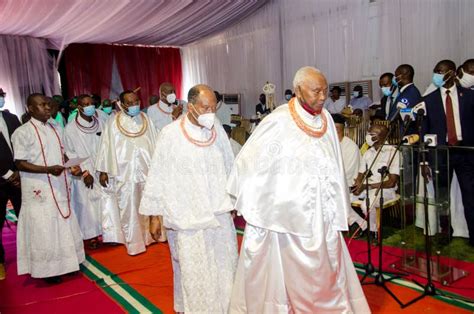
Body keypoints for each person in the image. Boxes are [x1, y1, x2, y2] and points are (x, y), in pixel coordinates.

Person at [228, 67, 369, 313]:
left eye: (325, 90)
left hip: (321, 214)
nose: (323, 96)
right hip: (285, 217)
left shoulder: (325, 118)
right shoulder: (278, 120)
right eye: (316, 91)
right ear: (298, 90)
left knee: (325, 269)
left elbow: (334, 164)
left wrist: (338, 204)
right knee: (283, 274)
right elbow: (249, 161)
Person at [140, 84, 238, 313]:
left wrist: (233, 199)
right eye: (205, 107)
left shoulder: (218, 131)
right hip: (187, 216)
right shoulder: (171, 134)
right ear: (190, 106)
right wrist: (155, 215)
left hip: (219, 212)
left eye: (214, 107)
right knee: (194, 270)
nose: (210, 113)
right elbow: (158, 174)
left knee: (224, 265)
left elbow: (229, 165)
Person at [12, 93, 84, 283]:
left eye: (47, 104)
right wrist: (47, 170)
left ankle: (68, 263)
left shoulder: (56, 127)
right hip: (39, 188)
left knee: (62, 222)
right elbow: (20, 163)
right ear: (30, 108)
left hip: (59, 184)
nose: (47, 108)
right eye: (42, 105)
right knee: (44, 227)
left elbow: (64, 152)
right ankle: (47, 270)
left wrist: (73, 165)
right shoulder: (22, 132)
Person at [95, 90, 158, 254]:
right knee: (128, 208)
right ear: (121, 105)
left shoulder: (146, 120)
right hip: (124, 173)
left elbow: (156, 142)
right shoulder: (113, 121)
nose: (134, 105)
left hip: (146, 171)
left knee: (148, 204)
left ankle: (149, 237)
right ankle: (134, 243)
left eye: (136, 101)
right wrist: (103, 171)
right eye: (129, 103)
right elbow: (105, 147)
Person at [422, 59, 474, 246]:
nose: (436, 75)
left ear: (451, 73)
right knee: (442, 196)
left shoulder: (469, 96)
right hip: (441, 154)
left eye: (440, 71)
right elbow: (424, 133)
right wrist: (424, 161)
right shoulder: (429, 100)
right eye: (435, 71)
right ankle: (446, 232)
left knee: (470, 195)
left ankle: (472, 234)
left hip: (466, 152)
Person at [64, 94, 104, 249]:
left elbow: (106, 146)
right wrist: (85, 174)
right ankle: (91, 236)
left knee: (103, 202)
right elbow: (70, 153)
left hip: (100, 167)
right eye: (85, 104)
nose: (90, 107)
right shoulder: (71, 128)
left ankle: (106, 232)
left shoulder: (100, 123)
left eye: (91, 103)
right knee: (86, 205)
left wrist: (104, 170)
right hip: (83, 172)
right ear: (79, 107)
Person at [351, 124, 400, 234]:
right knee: (343, 199)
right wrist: (358, 186)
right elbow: (360, 174)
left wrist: (367, 186)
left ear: (382, 136)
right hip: (367, 187)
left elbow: (391, 182)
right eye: (368, 133)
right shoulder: (368, 153)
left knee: (366, 205)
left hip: (385, 190)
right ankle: (362, 225)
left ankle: (373, 231)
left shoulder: (393, 153)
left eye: (371, 134)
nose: (368, 136)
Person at [0, 88, 22, 280]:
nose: (1, 99)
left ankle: (32, 256)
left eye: (1, 95)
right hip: (1, 178)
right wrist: (6, 173)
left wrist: (20, 171)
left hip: (19, 177)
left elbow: (21, 144)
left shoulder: (12, 118)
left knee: (25, 216)